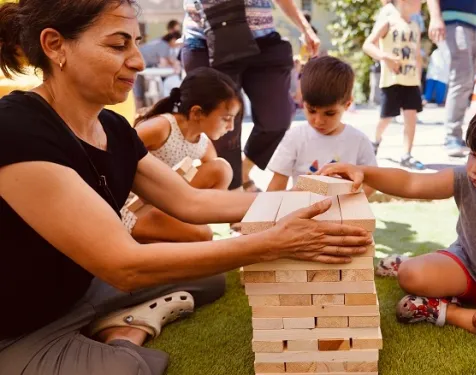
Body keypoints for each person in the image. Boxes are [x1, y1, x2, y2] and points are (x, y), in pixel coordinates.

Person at [0, 1, 372, 374]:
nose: (138, 61)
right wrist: (271, 242)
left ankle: (111, 323)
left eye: (136, 43)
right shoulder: (16, 130)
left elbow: (190, 201)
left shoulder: (111, 127)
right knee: (130, 370)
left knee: (209, 277)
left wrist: (303, 195)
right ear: (54, 45)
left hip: (80, 288)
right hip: (19, 325)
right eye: (118, 46)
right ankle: (124, 334)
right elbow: (123, 265)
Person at [320, 97, 476, 351]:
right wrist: (364, 172)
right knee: (411, 275)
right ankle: (412, 270)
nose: (475, 168)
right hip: (468, 269)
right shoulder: (466, 179)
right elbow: (411, 183)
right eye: (472, 154)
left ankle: (445, 311)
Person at [181, 0, 321, 193]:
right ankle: (234, 193)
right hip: (208, 39)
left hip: (263, 40)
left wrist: (305, 28)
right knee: (222, 126)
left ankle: (242, 173)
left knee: (277, 119)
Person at [123, 67, 239, 244]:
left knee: (221, 169)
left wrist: (237, 220)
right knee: (203, 235)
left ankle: (170, 234)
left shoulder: (203, 144)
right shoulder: (161, 128)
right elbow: (113, 156)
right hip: (130, 211)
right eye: (226, 118)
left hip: (164, 205)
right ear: (197, 113)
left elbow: (218, 197)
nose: (231, 127)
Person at [267, 56, 377, 196]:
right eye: (311, 111)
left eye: (329, 113)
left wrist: (349, 204)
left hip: (342, 213)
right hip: (301, 213)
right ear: (303, 102)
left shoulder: (358, 141)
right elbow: (276, 185)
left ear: (347, 104)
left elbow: (371, 184)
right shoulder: (294, 137)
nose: (318, 121)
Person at [426, 0, 476, 157]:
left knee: (467, 82)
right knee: (461, 79)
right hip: (454, 23)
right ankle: (451, 137)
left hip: (475, 26)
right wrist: (435, 16)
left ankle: (456, 135)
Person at [363, 0, 425, 170]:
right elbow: (368, 45)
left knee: (411, 117)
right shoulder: (389, 21)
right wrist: (385, 57)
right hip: (392, 79)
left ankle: (407, 154)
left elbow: (417, 55)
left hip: (411, 80)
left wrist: (418, 81)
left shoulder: (415, 26)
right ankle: (375, 141)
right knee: (386, 117)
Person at [134, 31, 182, 109]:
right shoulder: (164, 45)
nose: (178, 46)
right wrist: (175, 66)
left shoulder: (160, 42)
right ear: (173, 40)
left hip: (140, 64)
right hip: (140, 65)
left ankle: (138, 114)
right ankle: (141, 112)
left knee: (139, 93)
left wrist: (173, 63)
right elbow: (164, 63)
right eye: (178, 43)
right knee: (140, 93)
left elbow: (166, 59)